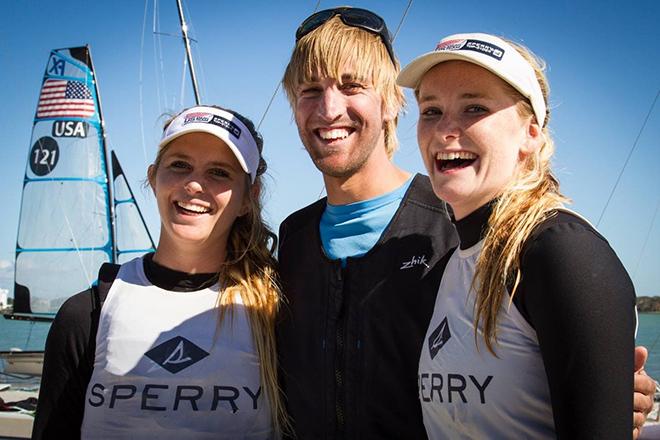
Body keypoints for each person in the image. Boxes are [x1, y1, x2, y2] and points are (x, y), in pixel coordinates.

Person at [277, 7, 656, 439]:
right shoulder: (292, 238)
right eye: (309, 89)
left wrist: (600, 389)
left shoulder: (457, 225)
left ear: (392, 103)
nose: (329, 109)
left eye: (352, 86)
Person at [398, 32, 638, 438]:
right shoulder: (454, 261)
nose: (445, 130)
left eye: (475, 107)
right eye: (431, 110)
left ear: (531, 133)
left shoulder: (559, 251)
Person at [33, 105, 286, 439]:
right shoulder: (86, 315)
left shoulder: (276, 312)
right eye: (180, 165)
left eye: (220, 172)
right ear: (153, 178)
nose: (195, 184)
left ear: (247, 199)